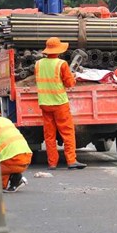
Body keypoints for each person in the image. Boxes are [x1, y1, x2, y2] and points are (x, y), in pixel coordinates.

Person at [35, 37, 86, 170]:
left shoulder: (38, 64)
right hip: (59, 103)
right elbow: (69, 84)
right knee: (67, 132)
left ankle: (52, 163)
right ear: (58, 50)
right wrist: (73, 77)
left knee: (49, 135)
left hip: (45, 103)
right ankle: (71, 160)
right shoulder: (61, 64)